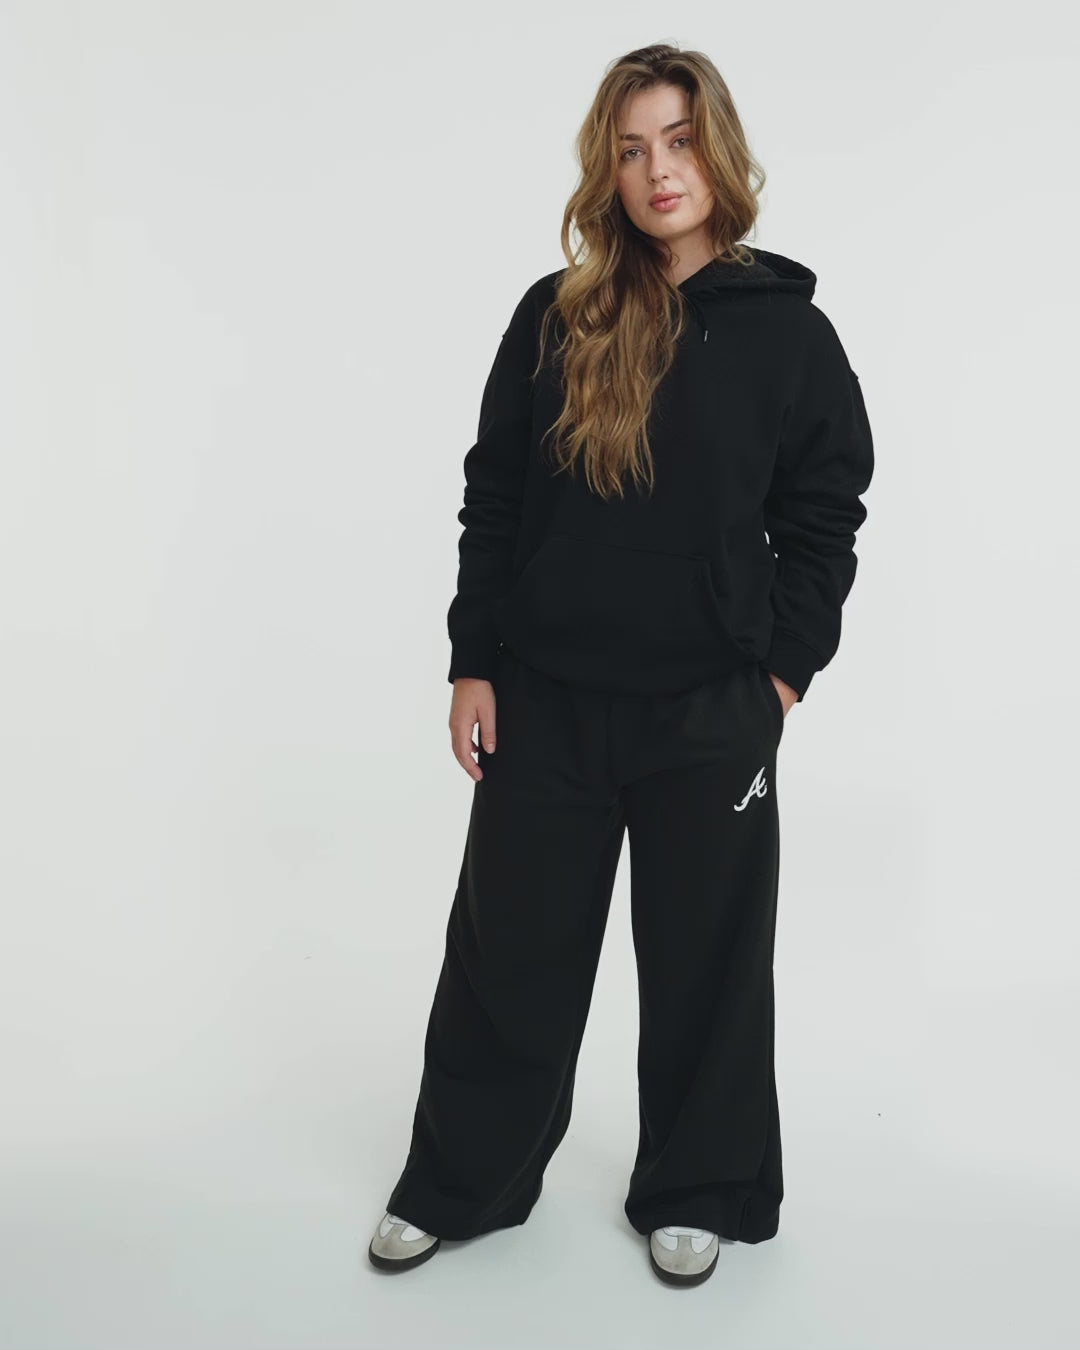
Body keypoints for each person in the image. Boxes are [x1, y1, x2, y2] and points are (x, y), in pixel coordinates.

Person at [368, 41, 874, 1287]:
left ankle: (698, 1186)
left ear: (719, 151)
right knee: (508, 958)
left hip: (709, 710)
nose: (660, 170)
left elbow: (826, 512)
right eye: (634, 147)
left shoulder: (790, 334)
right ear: (608, 168)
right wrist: (472, 659)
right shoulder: (557, 315)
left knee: (709, 961)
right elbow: (496, 494)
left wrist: (781, 675)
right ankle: (463, 1180)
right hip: (546, 697)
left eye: (681, 141)